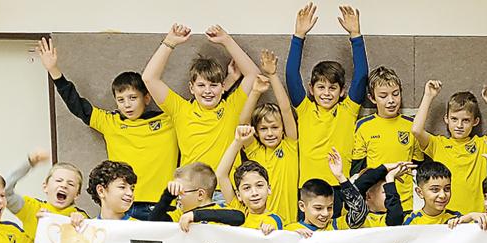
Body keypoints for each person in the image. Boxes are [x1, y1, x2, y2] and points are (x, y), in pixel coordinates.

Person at [36, 37, 179, 220]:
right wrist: (53, 70)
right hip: (121, 206)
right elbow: (77, 104)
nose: (127, 105)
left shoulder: (170, 120)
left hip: (160, 205)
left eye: (132, 98)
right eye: (121, 100)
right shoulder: (110, 122)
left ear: (146, 98)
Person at [142, 23, 260, 172]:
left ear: (223, 86)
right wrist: (169, 42)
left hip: (224, 186)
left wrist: (226, 40)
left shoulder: (232, 107)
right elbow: (149, 78)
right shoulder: (181, 109)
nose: (207, 91)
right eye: (201, 85)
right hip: (190, 184)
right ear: (192, 88)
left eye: (213, 85)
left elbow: (254, 75)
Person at [286, 2, 368, 215]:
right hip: (308, 188)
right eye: (321, 87)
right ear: (311, 89)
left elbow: (361, 76)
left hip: (339, 187)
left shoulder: (348, 110)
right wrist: (298, 36)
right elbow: (291, 75)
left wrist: (356, 36)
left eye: (333, 88)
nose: (326, 93)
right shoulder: (305, 109)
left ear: (342, 91)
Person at [412, 80, 487, 215]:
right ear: (446, 119)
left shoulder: (481, 144)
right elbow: (416, 130)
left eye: (465, 120)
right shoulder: (437, 144)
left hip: (477, 217)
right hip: (446, 218)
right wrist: (428, 96)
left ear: (475, 121)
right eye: (454, 119)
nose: (459, 125)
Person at [225, 50, 300, 224]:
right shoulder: (254, 152)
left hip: (288, 225)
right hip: (259, 227)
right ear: (256, 132)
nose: (270, 133)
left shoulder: (289, 145)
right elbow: (243, 122)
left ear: (283, 129)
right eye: (264, 129)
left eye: (275, 127)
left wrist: (272, 75)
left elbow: (286, 110)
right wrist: (255, 92)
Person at [352, 66, 424, 211]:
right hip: (376, 206)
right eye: (383, 96)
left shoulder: (412, 125)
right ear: (372, 98)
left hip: (406, 204)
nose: (391, 100)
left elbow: (419, 167)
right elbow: (357, 171)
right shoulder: (363, 126)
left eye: (395, 94)